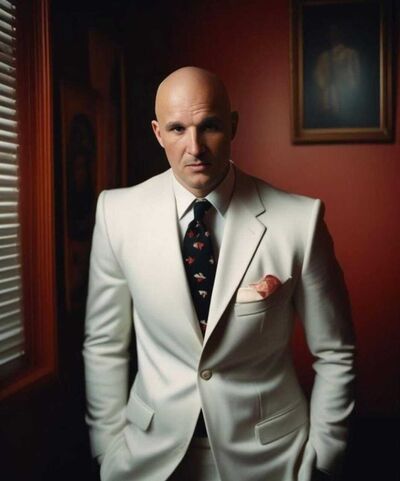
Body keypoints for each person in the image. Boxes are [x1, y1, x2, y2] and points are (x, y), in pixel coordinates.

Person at [83, 66, 355, 481]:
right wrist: (106, 447)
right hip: (148, 456)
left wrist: (323, 458)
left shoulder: (300, 220)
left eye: (208, 126)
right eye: (177, 129)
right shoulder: (116, 213)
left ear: (233, 126)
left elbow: (335, 350)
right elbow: (104, 343)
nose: (194, 147)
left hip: (271, 459)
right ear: (158, 133)